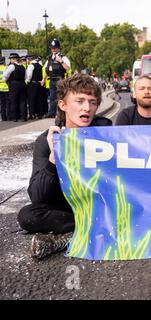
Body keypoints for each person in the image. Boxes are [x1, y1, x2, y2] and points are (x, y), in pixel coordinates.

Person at [17, 73, 112, 260]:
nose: (87, 107)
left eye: (92, 102)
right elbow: (37, 195)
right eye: (80, 101)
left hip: (99, 204)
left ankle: (70, 237)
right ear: (63, 105)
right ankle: (88, 230)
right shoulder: (47, 140)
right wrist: (54, 158)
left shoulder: (106, 133)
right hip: (67, 208)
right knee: (27, 215)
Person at [42, 38, 71, 118]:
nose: (53, 50)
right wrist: (43, 79)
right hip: (51, 79)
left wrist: (61, 61)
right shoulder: (49, 58)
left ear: (58, 48)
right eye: (52, 48)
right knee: (52, 97)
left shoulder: (63, 57)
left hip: (60, 79)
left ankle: (61, 114)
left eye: (55, 48)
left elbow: (67, 68)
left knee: (61, 97)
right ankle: (51, 113)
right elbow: (46, 69)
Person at [3, 52, 27, 122]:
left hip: (14, 84)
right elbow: (26, 77)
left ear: (14, 59)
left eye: (11, 59)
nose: (10, 60)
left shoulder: (12, 66)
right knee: (22, 101)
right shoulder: (23, 66)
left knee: (13, 101)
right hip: (22, 83)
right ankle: (23, 117)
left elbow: (5, 75)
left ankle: (14, 117)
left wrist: (6, 82)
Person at [25, 55, 44, 119]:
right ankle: (39, 114)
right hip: (40, 83)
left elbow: (29, 75)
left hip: (33, 84)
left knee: (31, 100)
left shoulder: (31, 65)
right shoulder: (40, 65)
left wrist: (27, 81)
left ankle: (32, 114)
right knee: (39, 99)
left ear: (29, 59)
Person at [0, 56, 10, 121]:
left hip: (0, 88)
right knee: (8, 104)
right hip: (7, 88)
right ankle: (9, 117)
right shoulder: (7, 68)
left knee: (2, 104)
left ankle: (3, 118)